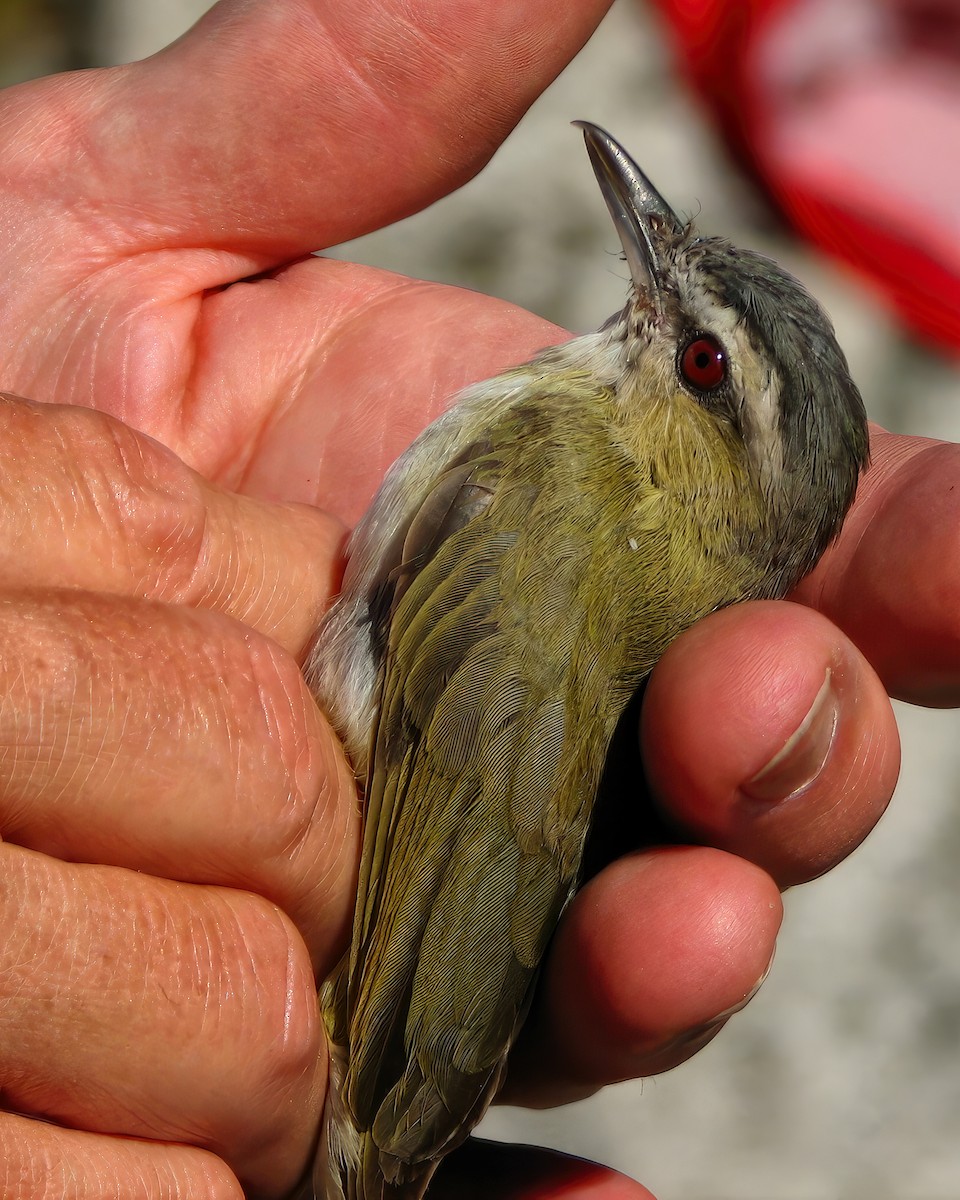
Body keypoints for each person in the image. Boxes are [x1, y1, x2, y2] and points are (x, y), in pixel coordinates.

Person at [0, 1, 950, 1197]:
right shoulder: (613, 523)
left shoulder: (559, 472)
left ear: (708, 441)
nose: (644, 252)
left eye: (697, 358)